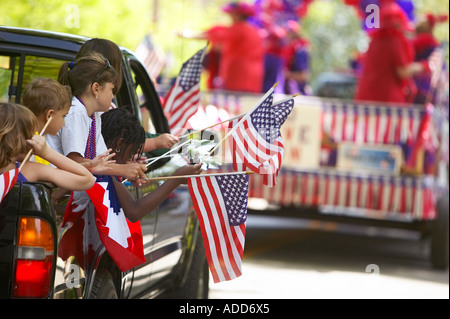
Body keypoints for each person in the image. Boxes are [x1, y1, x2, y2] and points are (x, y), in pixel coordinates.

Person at [47, 52, 148, 184]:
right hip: (59, 186)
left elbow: (101, 160)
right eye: (111, 89)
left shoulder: (94, 116)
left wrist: (128, 169)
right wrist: (121, 169)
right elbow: (75, 162)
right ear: (96, 88)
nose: (113, 96)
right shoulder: (76, 111)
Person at [76, 38, 179, 152]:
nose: (113, 97)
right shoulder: (78, 114)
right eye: (111, 89)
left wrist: (129, 158)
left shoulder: (97, 114)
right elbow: (116, 146)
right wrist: (155, 142)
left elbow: (105, 154)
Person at [100, 108, 202, 222]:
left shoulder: (102, 162)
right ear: (119, 144)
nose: (131, 158)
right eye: (132, 152)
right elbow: (134, 211)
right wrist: (176, 179)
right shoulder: (105, 169)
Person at [22, 77, 115, 172]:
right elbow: (55, 175)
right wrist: (87, 167)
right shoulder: (29, 145)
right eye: (64, 116)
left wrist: (88, 165)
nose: (65, 122)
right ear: (49, 115)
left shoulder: (38, 139)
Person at [0, 102, 95, 191]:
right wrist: (47, 152)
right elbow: (87, 179)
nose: (36, 137)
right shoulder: (29, 170)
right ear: (19, 138)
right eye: (32, 134)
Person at [181, 1, 264, 93]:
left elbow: (215, 36)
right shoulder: (254, 31)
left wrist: (188, 34)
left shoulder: (238, 29)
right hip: (253, 77)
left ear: (237, 15)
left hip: (239, 76)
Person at [354, 1, 428, 104]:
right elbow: (403, 71)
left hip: (365, 100)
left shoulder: (374, 41)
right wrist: (423, 66)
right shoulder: (394, 39)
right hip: (386, 101)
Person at [281, 20, 311, 95]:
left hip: (296, 93)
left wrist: (286, 75)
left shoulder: (300, 49)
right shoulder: (288, 47)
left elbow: (303, 75)